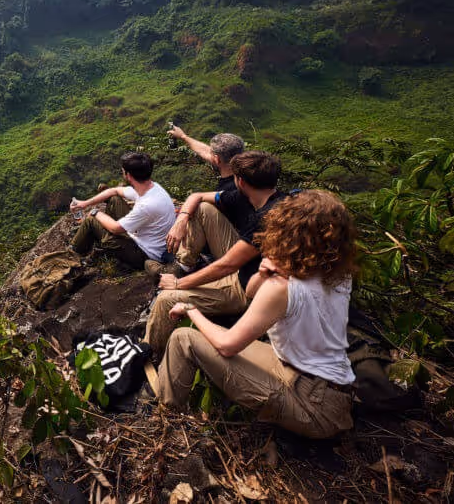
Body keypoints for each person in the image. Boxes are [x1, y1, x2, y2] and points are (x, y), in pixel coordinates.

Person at [155, 190, 356, 439]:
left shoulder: (281, 288)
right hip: (327, 389)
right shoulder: (338, 274)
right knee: (213, 337)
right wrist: (263, 273)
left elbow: (227, 345)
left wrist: (191, 309)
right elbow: (250, 293)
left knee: (183, 338)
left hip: (313, 406)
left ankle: (164, 424)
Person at [144, 151, 285, 355]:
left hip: (250, 287)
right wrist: (182, 219)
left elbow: (227, 265)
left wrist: (178, 284)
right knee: (203, 208)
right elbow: (198, 196)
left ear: (240, 181)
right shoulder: (257, 198)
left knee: (167, 299)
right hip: (249, 264)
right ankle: (183, 266)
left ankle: (147, 353)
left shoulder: (267, 220)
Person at [149, 126, 248, 275]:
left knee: (200, 208)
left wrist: (182, 219)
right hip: (246, 243)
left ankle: (183, 267)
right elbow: (205, 151)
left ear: (217, 159)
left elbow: (197, 197)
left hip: (237, 255)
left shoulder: (233, 190)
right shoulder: (247, 172)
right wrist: (183, 136)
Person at [70, 152, 175, 270]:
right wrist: (85, 203)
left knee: (91, 221)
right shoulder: (152, 187)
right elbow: (114, 191)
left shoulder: (147, 205)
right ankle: (93, 242)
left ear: (128, 175)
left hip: (145, 254)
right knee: (114, 199)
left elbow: (115, 228)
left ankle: (71, 255)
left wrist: (95, 212)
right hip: (145, 238)